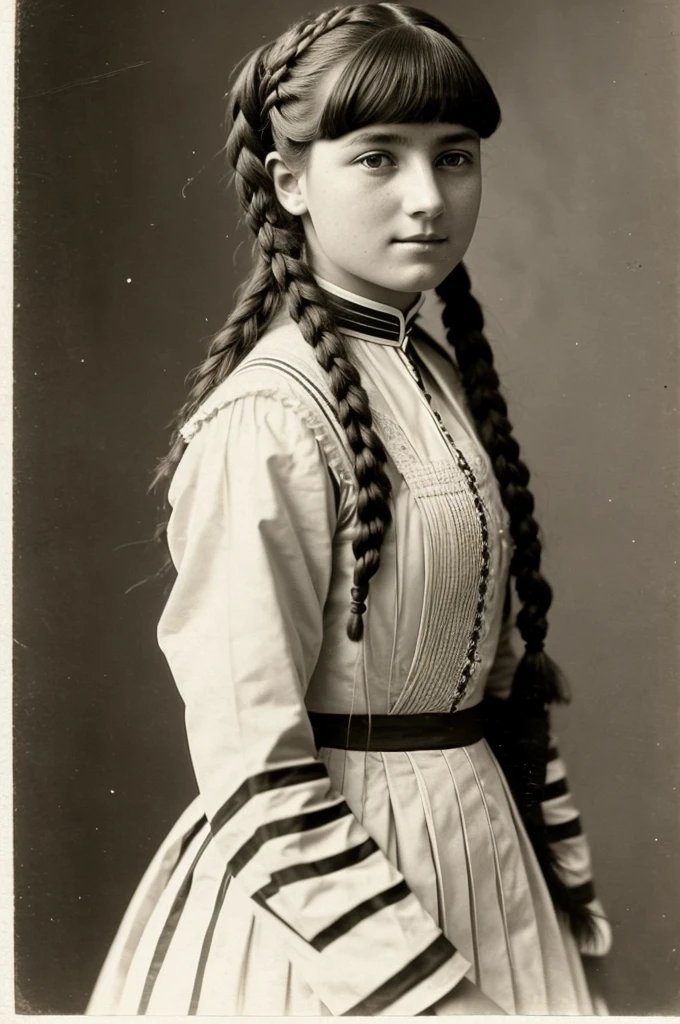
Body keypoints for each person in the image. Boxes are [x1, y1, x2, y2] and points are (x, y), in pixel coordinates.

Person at [87, 2, 612, 1015]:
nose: (427, 197)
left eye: (453, 157)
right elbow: (250, 759)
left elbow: (498, 682)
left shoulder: (436, 379)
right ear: (290, 182)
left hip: (479, 849)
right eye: (378, 158)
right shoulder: (267, 421)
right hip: (328, 902)